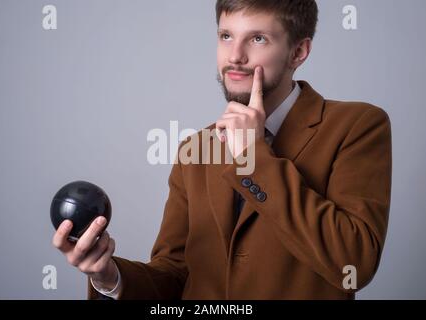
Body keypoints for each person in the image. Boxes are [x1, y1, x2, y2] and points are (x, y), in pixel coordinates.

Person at [53, 0, 392, 299]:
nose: (235, 56)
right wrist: (110, 277)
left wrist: (252, 157)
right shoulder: (196, 149)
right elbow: (174, 274)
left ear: (298, 52)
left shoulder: (357, 125)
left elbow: (354, 264)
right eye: (226, 36)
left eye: (257, 39)